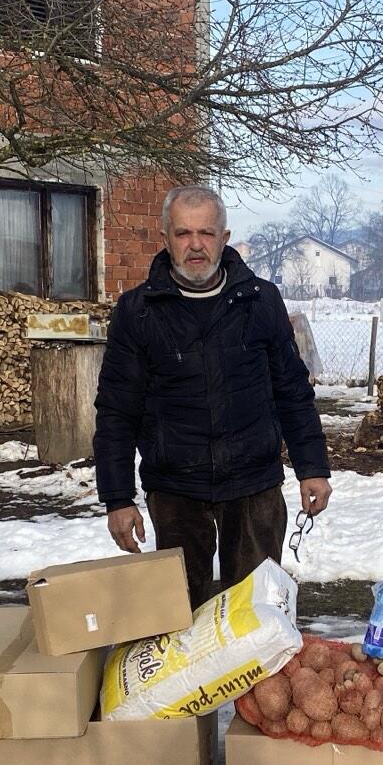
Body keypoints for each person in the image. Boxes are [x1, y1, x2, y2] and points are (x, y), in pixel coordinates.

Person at [93, 185, 332, 607]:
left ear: (224, 238)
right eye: (183, 233)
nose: (195, 244)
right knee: (183, 612)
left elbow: (292, 391)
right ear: (166, 238)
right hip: (175, 487)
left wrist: (312, 466)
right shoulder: (138, 311)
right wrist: (117, 498)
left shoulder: (260, 301)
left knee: (256, 610)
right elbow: (117, 410)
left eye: (206, 233)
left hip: (254, 482)